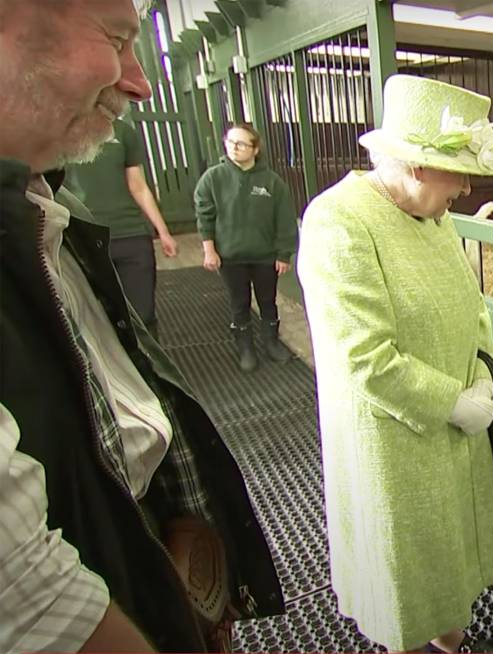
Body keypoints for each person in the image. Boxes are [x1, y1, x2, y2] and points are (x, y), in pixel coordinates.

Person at [0, 1, 283, 651]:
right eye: (117, 39)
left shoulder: (46, 211)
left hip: (146, 550)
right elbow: (29, 597)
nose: (139, 79)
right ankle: (244, 340)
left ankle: (262, 335)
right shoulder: (207, 182)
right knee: (238, 306)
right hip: (103, 588)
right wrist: (196, 239)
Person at [298, 74, 493, 653]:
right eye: (462, 173)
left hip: (456, 423)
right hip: (394, 439)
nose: (469, 189)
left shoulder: (435, 215)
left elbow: (471, 304)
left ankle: (451, 640)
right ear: (416, 165)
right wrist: (450, 401)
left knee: (447, 557)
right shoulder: (338, 221)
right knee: (404, 569)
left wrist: (482, 370)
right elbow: (363, 356)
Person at [194, 123, 298, 373]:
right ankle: (246, 348)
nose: (234, 148)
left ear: (255, 148)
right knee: (239, 303)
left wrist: (284, 253)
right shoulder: (213, 178)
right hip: (230, 257)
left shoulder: (272, 182)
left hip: (264, 256)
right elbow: (204, 215)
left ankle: (272, 344)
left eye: (241, 144)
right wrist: (209, 250)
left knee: (267, 301)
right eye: (230, 142)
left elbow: (284, 219)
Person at [66, 117, 179, 337]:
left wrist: (163, 231)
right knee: (99, 317)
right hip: (84, 237)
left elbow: (138, 186)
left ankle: (151, 369)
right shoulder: (56, 129)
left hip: (131, 233)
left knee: (143, 314)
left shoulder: (123, 131)